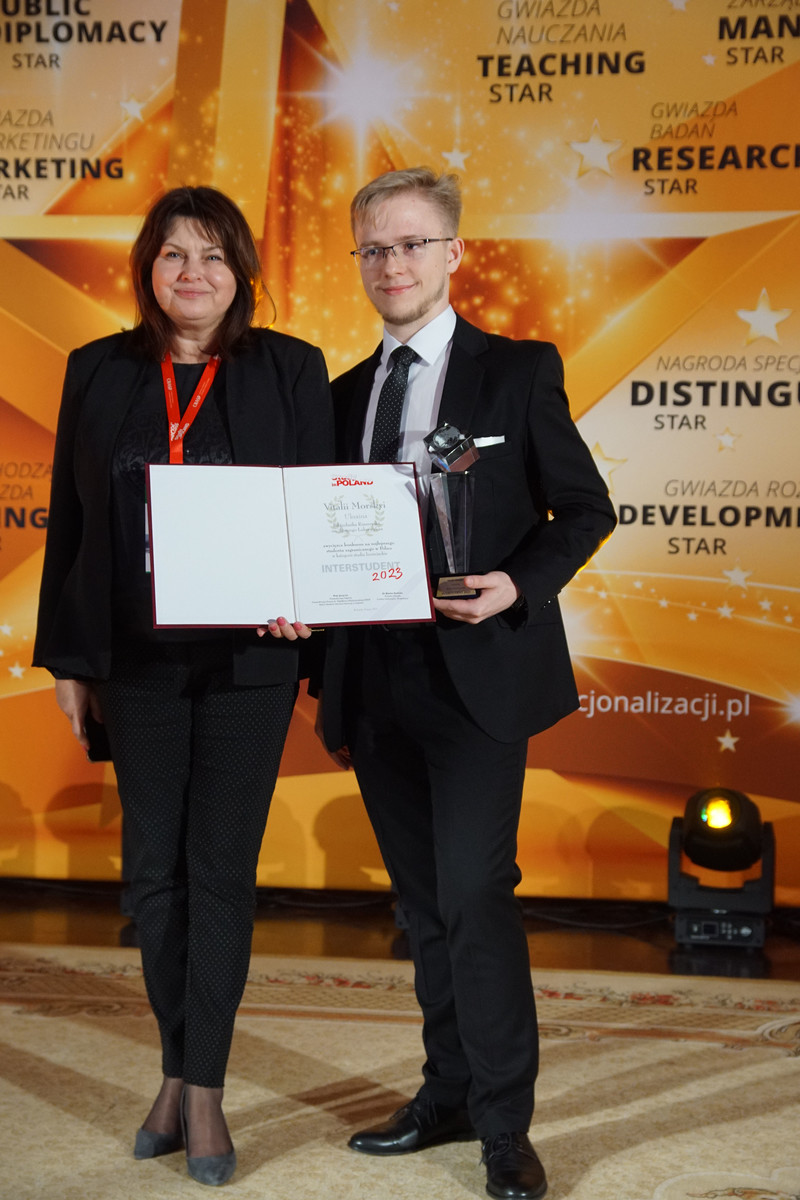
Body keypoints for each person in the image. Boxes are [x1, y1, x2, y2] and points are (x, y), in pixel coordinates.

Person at [316, 167, 616, 1200]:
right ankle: (443, 1092)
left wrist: (515, 585)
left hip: (478, 675)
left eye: (410, 244)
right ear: (358, 261)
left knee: (475, 894)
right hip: (372, 677)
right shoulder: (340, 395)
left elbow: (584, 509)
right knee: (422, 905)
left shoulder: (517, 371)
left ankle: (503, 1126)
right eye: (373, 248)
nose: (391, 264)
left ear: (452, 253)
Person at [33, 186, 333, 1187]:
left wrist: (306, 604)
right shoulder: (98, 369)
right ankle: (179, 1067)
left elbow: (312, 510)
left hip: (250, 662)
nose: (191, 273)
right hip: (136, 662)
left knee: (220, 872)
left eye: (211, 255)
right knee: (151, 877)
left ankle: (201, 1088)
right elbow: (70, 524)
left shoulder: (290, 368)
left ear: (240, 272)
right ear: (146, 270)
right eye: (172, 254)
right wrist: (69, 661)